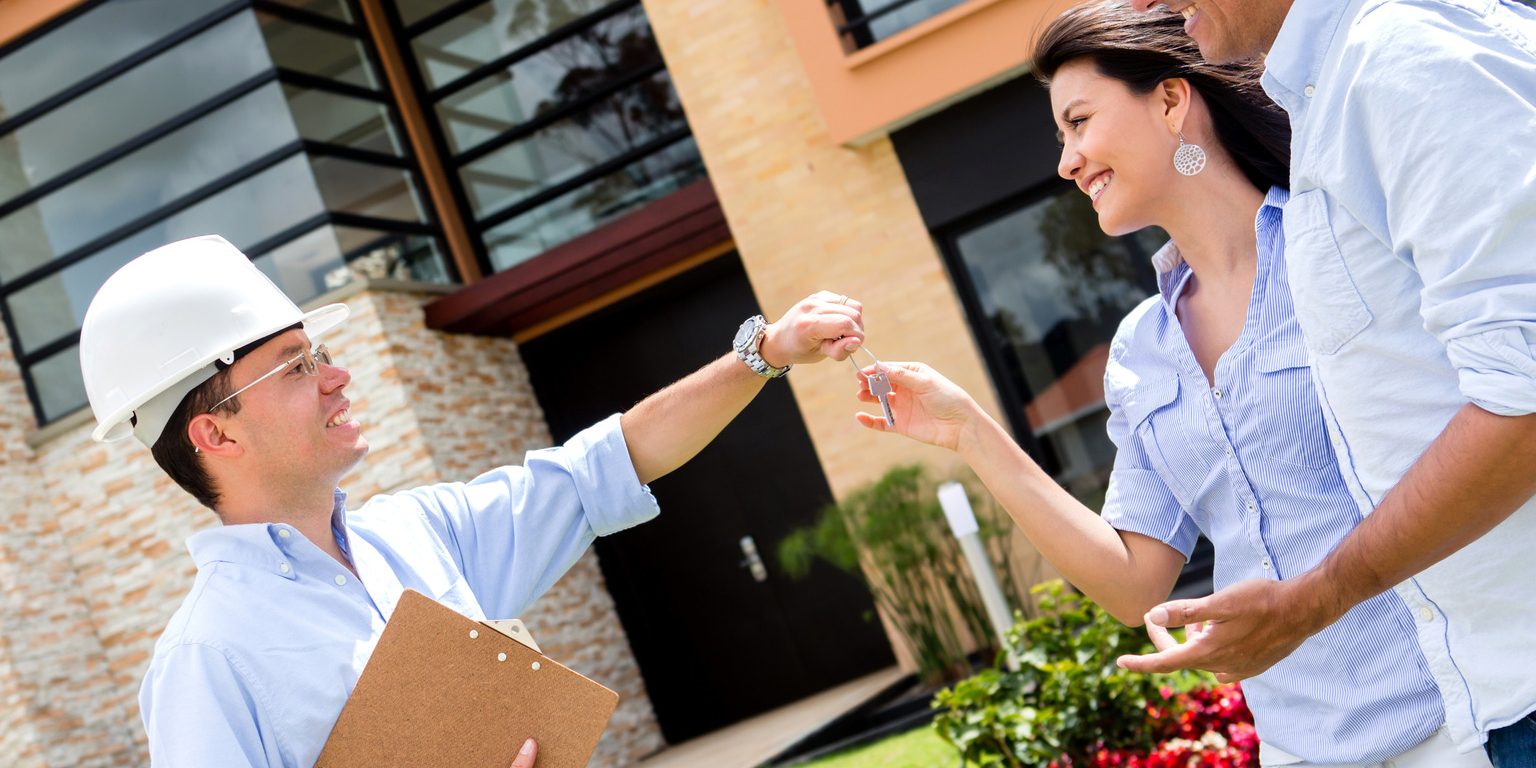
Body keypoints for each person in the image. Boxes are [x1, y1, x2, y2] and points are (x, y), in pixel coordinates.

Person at [851, 3, 1489, 765]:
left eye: (1080, 122)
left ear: (1170, 100)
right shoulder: (1142, 351)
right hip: (1301, 746)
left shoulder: (1337, 244)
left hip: (1457, 715)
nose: (1066, 160)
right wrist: (970, 433)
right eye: (1062, 135)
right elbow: (1134, 584)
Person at [78, 235, 867, 767]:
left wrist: (764, 353)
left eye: (318, 352)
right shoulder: (206, 659)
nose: (337, 375)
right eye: (293, 367)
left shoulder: (416, 533)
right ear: (216, 436)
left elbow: (605, 467)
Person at [1111, 0, 1536, 764]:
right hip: (1492, 692)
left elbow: (1526, 391)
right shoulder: (1336, 94)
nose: (1144, 5)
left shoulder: (1400, 59)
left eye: (1079, 123)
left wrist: (1317, 597)